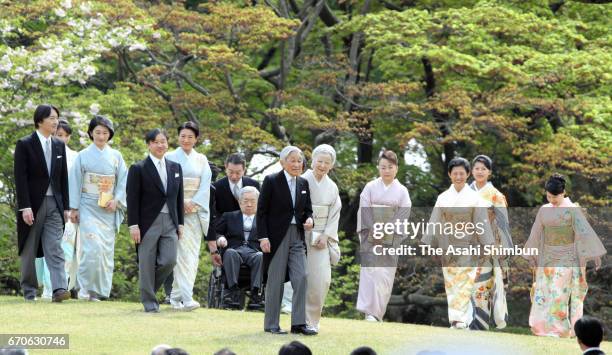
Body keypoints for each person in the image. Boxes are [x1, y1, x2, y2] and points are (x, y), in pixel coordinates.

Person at [523, 174, 605, 337]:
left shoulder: (572, 210)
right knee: (544, 292)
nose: (551, 199)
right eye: (548, 196)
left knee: (559, 292)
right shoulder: (543, 210)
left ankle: (558, 329)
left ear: (563, 193)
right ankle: (543, 327)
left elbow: (585, 232)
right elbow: (535, 233)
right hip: (547, 257)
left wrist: (595, 254)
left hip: (567, 257)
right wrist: (531, 253)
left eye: (555, 196)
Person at [421, 157, 494, 329]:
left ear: (468, 174)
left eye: (462, 173)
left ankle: (459, 319)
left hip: (468, 245)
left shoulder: (475, 199)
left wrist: (487, 244)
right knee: (452, 283)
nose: (459, 176)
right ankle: (458, 319)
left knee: (466, 281)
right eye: (455, 173)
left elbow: (481, 222)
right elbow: (435, 221)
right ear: (449, 175)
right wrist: (428, 242)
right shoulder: (443, 198)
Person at [257, 146, 316, 335]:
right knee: (275, 280)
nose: (297, 164)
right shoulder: (271, 181)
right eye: (293, 160)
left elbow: (308, 210)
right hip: (276, 237)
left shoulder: (304, 184)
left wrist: (309, 220)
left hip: (297, 236)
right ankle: (271, 324)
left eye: (300, 161)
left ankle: (298, 324)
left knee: (302, 276)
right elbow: (262, 212)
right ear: (283, 162)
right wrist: (263, 237)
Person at [14, 104, 71, 302]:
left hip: (55, 204)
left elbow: (62, 178)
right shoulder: (25, 144)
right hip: (32, 205)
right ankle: (29, 290)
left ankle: (59, 289)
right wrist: (25, 207)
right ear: (40, 121)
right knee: (29, 249)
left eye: (57, 117)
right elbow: (20, 178)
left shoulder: (59, 145)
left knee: (55, 246)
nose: (56, 122)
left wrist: (65, 207)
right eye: (51, 118)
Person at [69, 116, 127, 301]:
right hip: (87, 205)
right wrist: (74, 208)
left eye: (105, 133)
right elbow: (76, 182)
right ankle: (84, 288)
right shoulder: (83, 155)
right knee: (91, 248)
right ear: (91, 133)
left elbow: (123, 182)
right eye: (97, 132)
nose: (101, 136)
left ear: (110, 135)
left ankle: (98, 292)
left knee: (104, 251)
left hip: (108, 207)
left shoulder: (116, 156)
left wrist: (117, 200)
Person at [127, 128, 184, 312]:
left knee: (170, 260)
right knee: (146, 262)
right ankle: (150, 303)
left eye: (164, 141)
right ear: (149, 144)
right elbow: (132, 198)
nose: (161, 145)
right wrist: (133, 224)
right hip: (147, 222)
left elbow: (179, 197)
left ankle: (148, 289)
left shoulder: (175, 167)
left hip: (170, 221)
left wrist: (180, 222)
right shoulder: (138, 168)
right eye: (156, 142)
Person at [356, 150, 411, 322]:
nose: (386, 170)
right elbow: (364, 210)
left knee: (384, 275)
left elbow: (403, 214)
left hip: (390, 238)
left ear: (396, 168)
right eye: (383, 167)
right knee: (370, 272)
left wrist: (386, 232)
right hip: (371, 236)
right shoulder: (370, 187)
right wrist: (373, 231)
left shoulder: (402, 191)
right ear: (378, 168)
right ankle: (368, 312)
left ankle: (377, 312)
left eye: (390, 167)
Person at [165, 121, 212, 311]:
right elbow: (166, 184)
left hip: (194, 212)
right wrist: (180, 202)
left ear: (196, 139)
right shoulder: (168, 157)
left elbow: (205, 185)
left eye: (190, 137)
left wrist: (194, 202)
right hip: (175, 213)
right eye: (183, 136)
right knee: (181, 254)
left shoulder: (201, 159)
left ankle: (175, 298)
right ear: (178, 137)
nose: (186, 140)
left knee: (191, 256)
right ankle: (187, 297)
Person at [35, 119, 79, 300]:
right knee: (48, 248)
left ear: (69, 137)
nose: (61, 139)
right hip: (48, 205)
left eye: (64, 136)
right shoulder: (45, 152)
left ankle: (62, 287)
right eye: (58, 135)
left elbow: (76, 185)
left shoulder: (76, 156)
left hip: (67, 211)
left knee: (66, 251)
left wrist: (73, 208)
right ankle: (48, 288)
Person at [469, 154, 512, 329]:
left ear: (489, 172)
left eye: (483, 169)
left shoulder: (495, 195)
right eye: (477, 168)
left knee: (481, 286)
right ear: (471, 170)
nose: (479, 172)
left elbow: (503, 224)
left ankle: (478, 325)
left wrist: (504, 249)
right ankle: (462, 322)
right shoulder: (463, 191)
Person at [302, 144, 342, 331]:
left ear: (331, 165)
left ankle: (312, 321)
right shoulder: (302, 180)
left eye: (327, 162)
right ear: (313, 160)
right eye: (320, 161)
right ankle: (297, 319)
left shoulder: (332, 187)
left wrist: (326, 235)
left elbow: (335, 214)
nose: (323, 165)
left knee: (321, 280)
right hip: (300, 234)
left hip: (321, 237)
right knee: (298, 278)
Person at [215, 186, 264, 310]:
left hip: (255, 251)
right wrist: (220, 238)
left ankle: (256, 293)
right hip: (235, 251)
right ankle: (232, 292)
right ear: (239, 202)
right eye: (245, 200)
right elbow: (216, 232)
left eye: (253, 201)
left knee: (261, 256)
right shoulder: (228, 216)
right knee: (230, 253)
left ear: (258, 202)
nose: (249, 204)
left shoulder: (264, 219)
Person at [213, 153, 260, 217]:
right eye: (231, 172)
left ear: (244, 170)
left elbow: (261, 208)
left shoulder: (254, 184)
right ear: (226, 168)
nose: (234, 176)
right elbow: (214, 213)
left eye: (238, 173)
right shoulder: (216, 187)